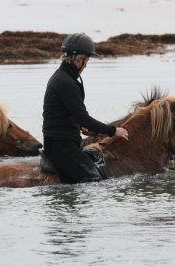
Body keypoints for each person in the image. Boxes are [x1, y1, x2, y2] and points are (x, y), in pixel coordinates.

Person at [42, 32, 129, 183]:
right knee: (92, 179)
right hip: (60, 146)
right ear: (78, 60)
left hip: (63, 142)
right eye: (86, 60)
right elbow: (83, 117)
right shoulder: (66, 82)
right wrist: (113, 131)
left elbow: (69, 115)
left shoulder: (64, 77)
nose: (86, 65)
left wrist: (83, 128)